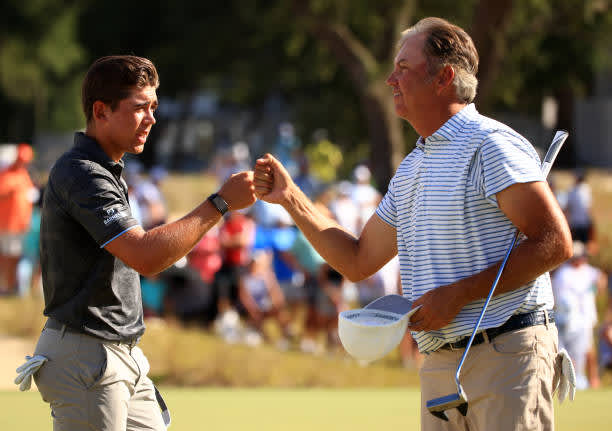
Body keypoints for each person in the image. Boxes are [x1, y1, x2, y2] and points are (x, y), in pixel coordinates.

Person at [254, 17, 572, 431]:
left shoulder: (491, 144)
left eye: (403, 68)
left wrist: (459, 294)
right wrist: (292, 198)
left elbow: (554, 242)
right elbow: (357, 259)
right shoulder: (412, 167)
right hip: (440, 365)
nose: (390, 80)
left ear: (444, 77)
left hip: (506, 353)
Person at [27, 55, 256, 430]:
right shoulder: (82, 173)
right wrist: (220, 203)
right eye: (139, 108)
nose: (151, 118)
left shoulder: (104, 169)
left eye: (153, 107)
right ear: (100, 111)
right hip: (88, 357)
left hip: (117, 355)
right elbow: (146, 256)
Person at [552, 241, 607, 389]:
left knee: (589, 350)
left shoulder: (588, 271)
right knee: (571, 352)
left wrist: (596, 287)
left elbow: (601, 279)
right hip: (569, 321)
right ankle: (574, 380)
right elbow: (559, 299)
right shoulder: (563, 274)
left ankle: (593, 380)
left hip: (586, 318)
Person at [0, 143, 36, 295]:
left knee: (15, 255)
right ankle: (7, 286)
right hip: (8, 223)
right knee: (7, 255)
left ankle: (12, 285)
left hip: (20, 224)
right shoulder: (7, 174)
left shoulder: (24, 174)